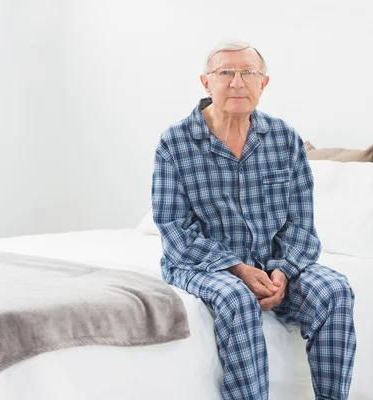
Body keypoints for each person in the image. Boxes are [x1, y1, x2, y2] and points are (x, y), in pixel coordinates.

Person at [152, 39, 356, 400]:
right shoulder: (175, 143)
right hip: (201, 265)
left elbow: (301, 225)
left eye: (248, 72)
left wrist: (282, 272)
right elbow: (175, 230)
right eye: (226, 72)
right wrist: (238, 270)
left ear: (264, 83)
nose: (237, 82)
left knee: (334, 289)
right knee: (236, 299)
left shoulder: (284, 139)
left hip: (274, 264)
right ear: (206, 82)